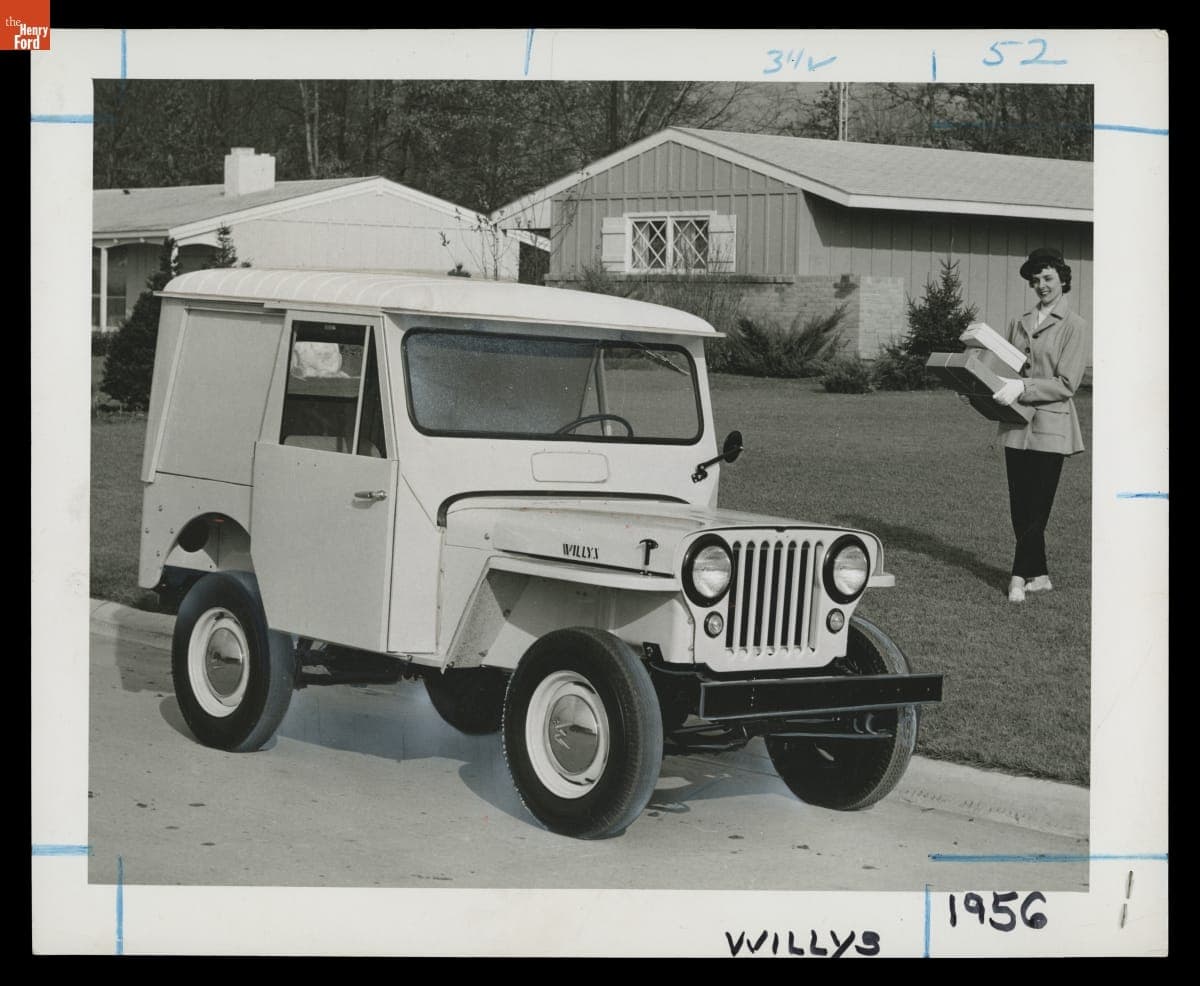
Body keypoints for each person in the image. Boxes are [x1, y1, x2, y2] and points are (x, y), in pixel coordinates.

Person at [991, 247, 1089, 603]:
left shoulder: (1075, 326)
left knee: (1037, 508)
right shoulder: (1019, 322)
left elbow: (1067, 384)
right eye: (1036, 281)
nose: (1042, 286)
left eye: (1048, 278)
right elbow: (1007, 368)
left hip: (1052, 427)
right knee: (1020, 505)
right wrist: (977, 385)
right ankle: (1041, 576)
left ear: (1063, 279)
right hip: (1017, 425)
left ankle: (1018, 577)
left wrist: (1024, 387)